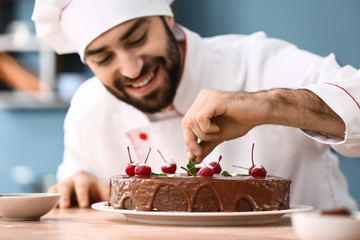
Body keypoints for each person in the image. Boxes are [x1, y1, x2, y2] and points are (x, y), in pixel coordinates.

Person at [32, 0, 360, 210]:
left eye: (137, 39)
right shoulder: (90, 106)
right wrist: (78, 183)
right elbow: (76, 181)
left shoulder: (256, 61)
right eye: (103, 58)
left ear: (167, 17)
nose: (132, 69)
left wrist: (270, 104)